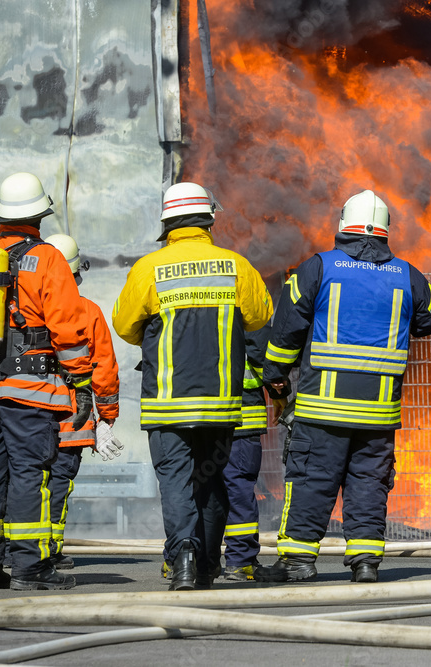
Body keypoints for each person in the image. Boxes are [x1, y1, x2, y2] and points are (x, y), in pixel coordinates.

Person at [256, 189, 431, 584]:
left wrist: (275, 373)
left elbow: (287, 326)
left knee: (312, 480)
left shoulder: (319, 268)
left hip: (322, 407)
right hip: (378, 413)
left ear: (344, 225)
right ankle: (365, 563)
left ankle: (297, 563)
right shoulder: (406, 274)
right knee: (368, 485)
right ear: (385, 231)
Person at [112, 182, 271, 591]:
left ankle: (182, 558)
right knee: (211, 481)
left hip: (167, 403)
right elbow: (259, 317)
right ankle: (206, 565)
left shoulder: (149, 269)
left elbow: (125, 326)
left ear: (166, 224)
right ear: (209, 220)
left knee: (177, 482)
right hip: (219, 405)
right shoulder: (235, 266)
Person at [0, 172, 93, 590]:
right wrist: (80, 382)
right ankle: (30, 568)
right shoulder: (47, 259)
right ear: (39, 216)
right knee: (30, 473)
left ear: (1, 220)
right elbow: (67, 324)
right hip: (32, 392)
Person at [43, 233, 123, 569]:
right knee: (58, 482)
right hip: (73, 418)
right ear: (76, 273)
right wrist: (106, 417)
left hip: (23, 415)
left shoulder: (20, 309)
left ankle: (13, 548)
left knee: (22, 479)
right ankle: (48, 550)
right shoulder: (87, 311)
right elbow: (103, 366)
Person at [220, 323, 272, 581]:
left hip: (191, 416)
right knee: (238, 488)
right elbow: (262, 351)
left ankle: (183, 559)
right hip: (241, 413)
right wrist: (277, 386)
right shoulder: (245, 290)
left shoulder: (176, 288)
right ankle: (240, 561)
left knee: (193, 489)